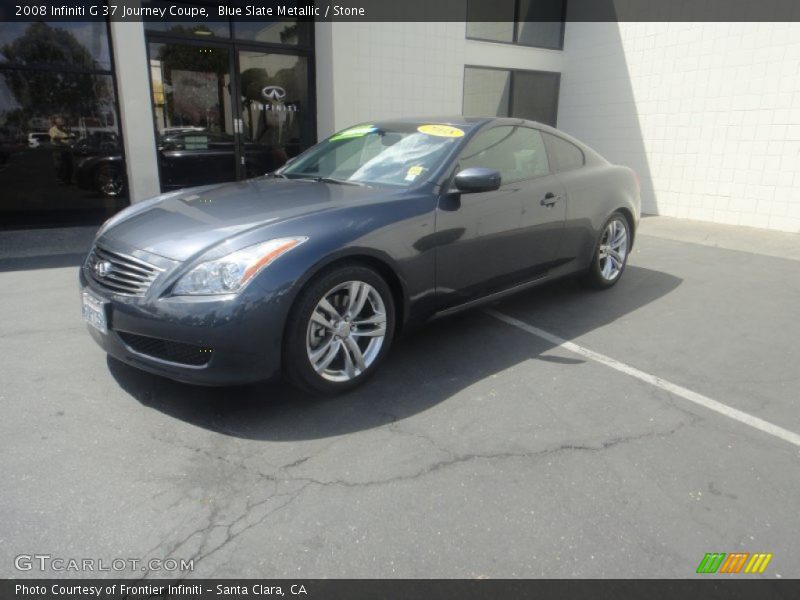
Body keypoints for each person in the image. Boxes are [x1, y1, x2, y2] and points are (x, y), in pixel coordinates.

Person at [49, 116, 74, 184]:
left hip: (67, 148)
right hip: (58, 149)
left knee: (70, 165)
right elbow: (55, 137)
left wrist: (70, 136)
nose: (62, 122)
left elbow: (72, 136)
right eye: (60, 121)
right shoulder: (52, 129)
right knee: (59, 165)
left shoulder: (65, 129)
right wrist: (66, 137)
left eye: (62, 121)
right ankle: (60, 180)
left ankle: (68, 179)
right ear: (56, 122)